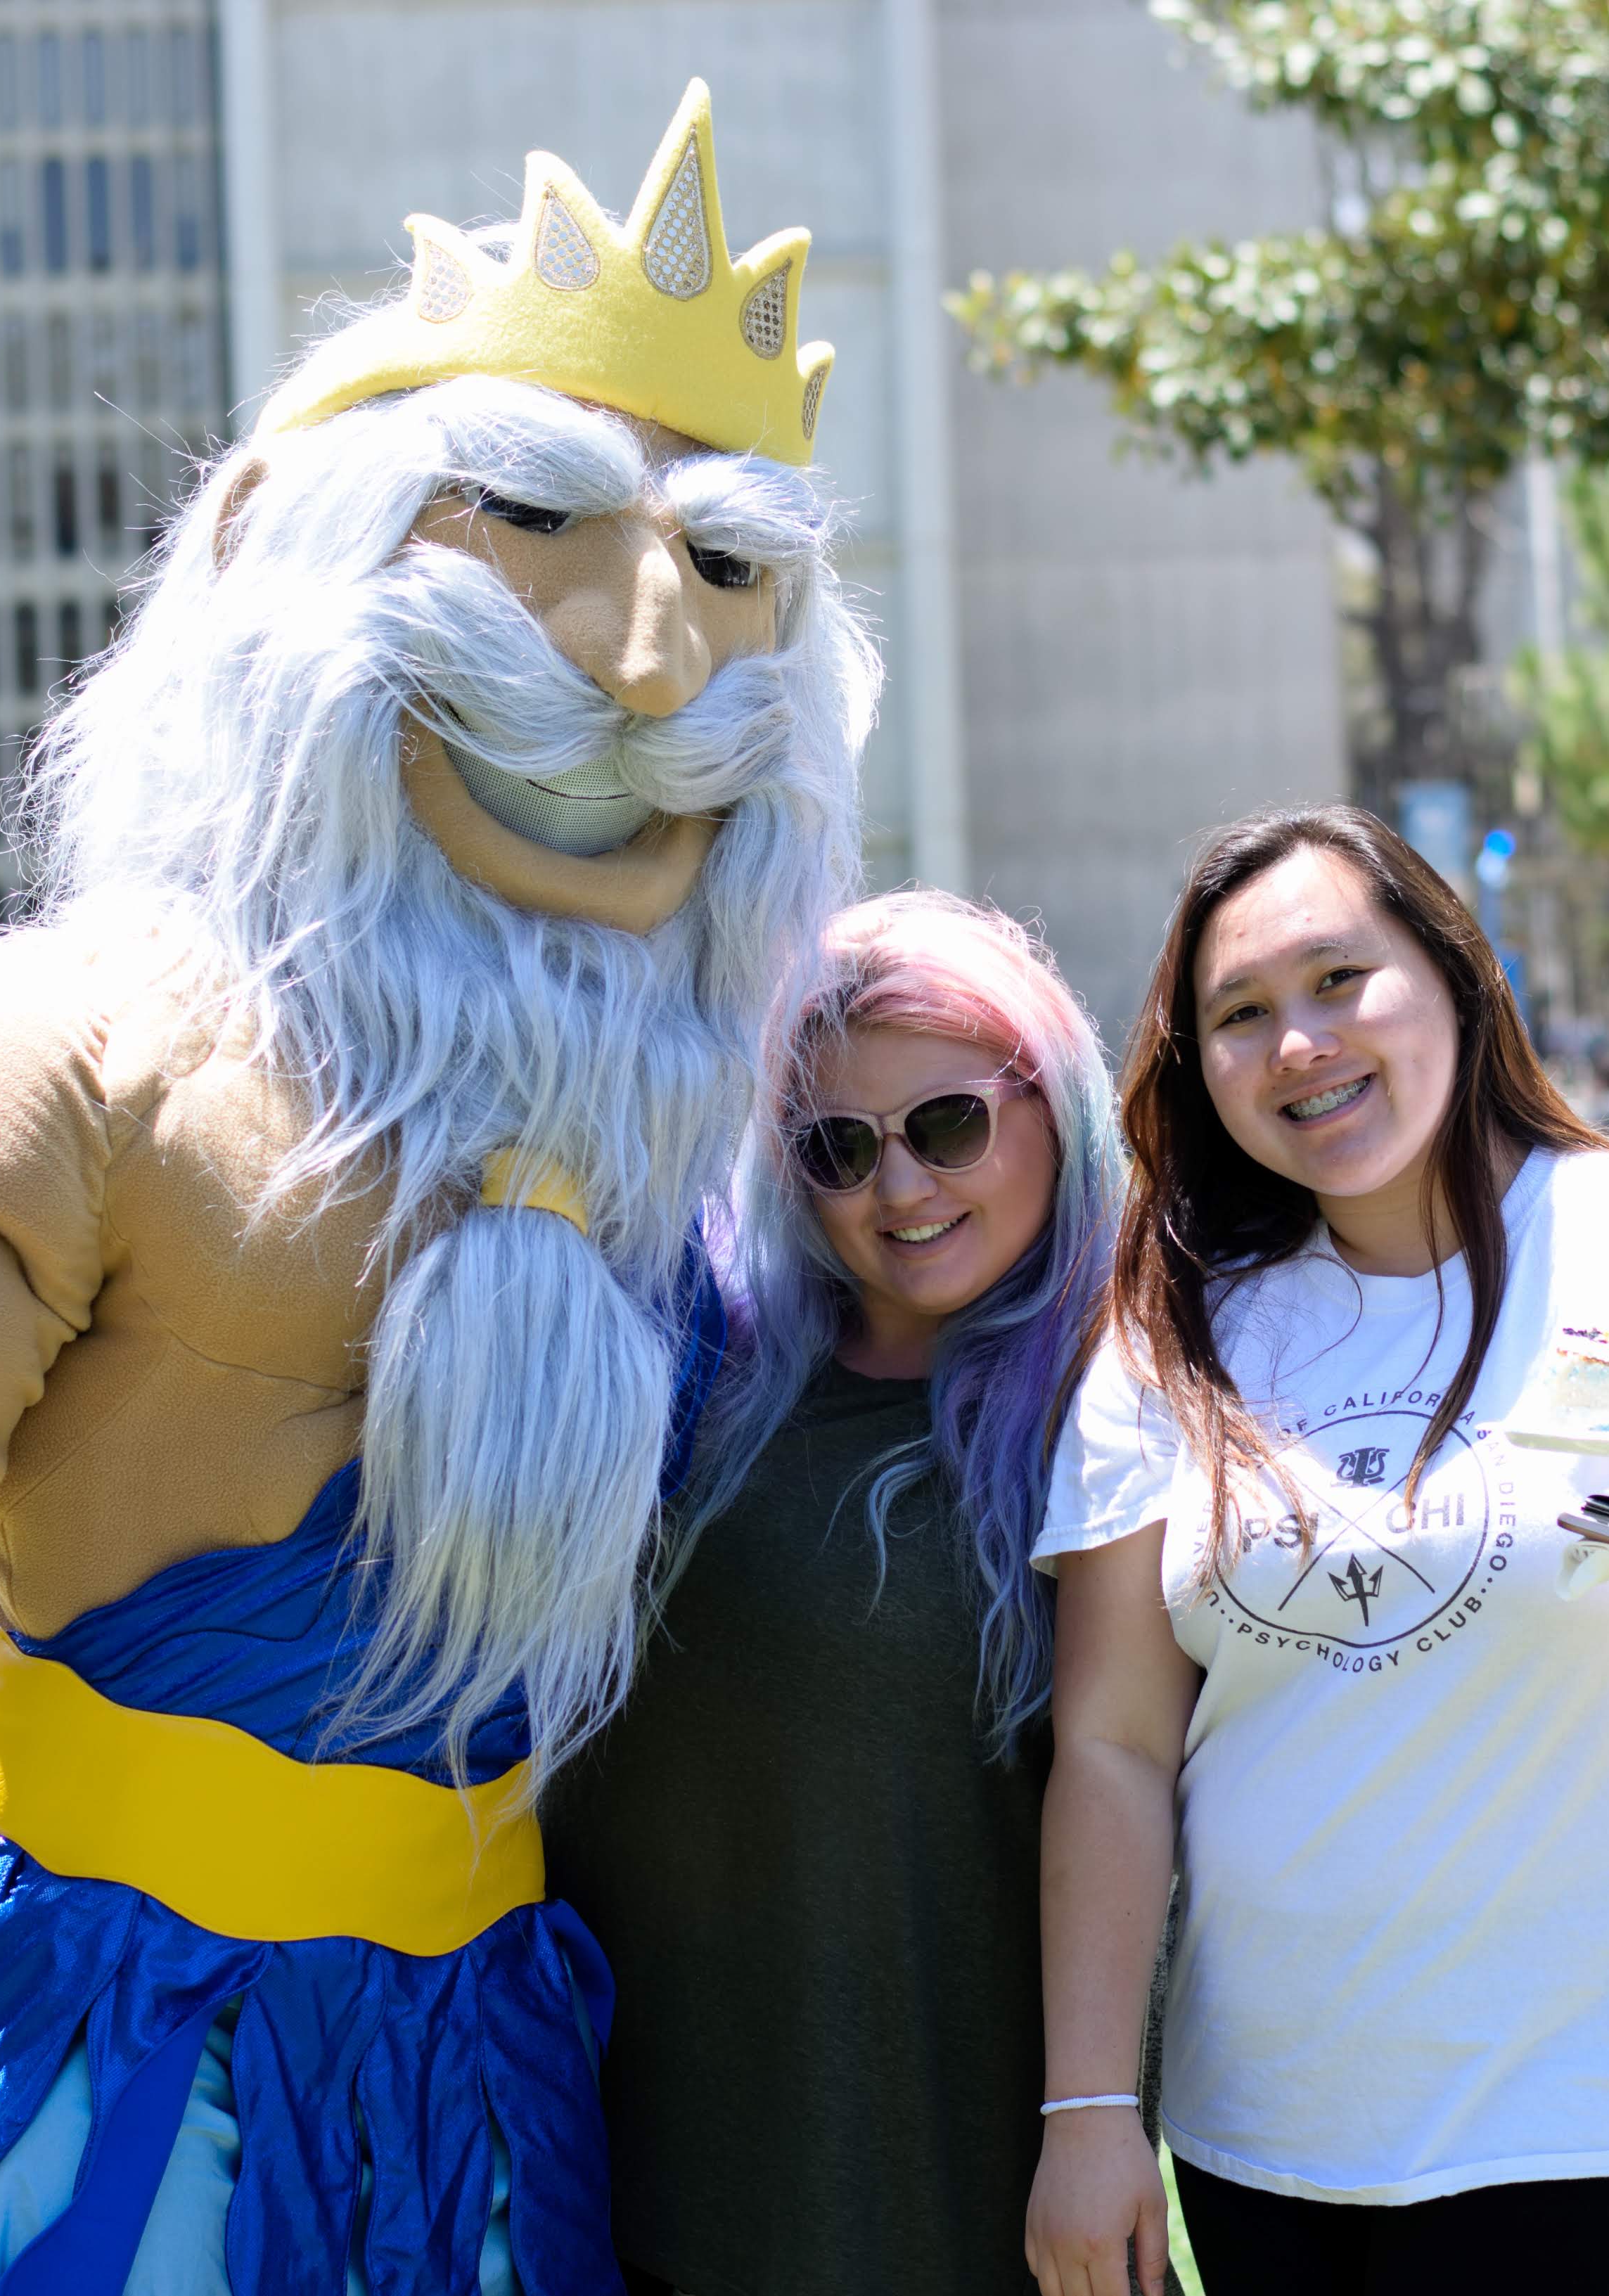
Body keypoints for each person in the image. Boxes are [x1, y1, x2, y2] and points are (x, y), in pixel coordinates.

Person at [0, 82, 873, 2293]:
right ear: (274, 548)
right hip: (124, 2050)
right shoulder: (74, 1039)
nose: (646, 666)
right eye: (529, 522)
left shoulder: (697, 1121)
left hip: (492, 2047)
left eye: (732, 569)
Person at [1024, 807, 1609, 2296]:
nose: (1300, 1044)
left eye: (1340, 980)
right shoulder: (1174, 1329)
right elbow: (1116, 1744)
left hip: (1589, 2093)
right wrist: (1088, 2113)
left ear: (1456, 977)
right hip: (1260, 2107)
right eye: (1240, 1017)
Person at [548, 890, 1115, 2296]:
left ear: (1051, 1101)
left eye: (947, 1125)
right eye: (837, 1149)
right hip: (637, 2155)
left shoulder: (1133, 1409)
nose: (901, 1191)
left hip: (963, 2184)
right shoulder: (699, 1383)